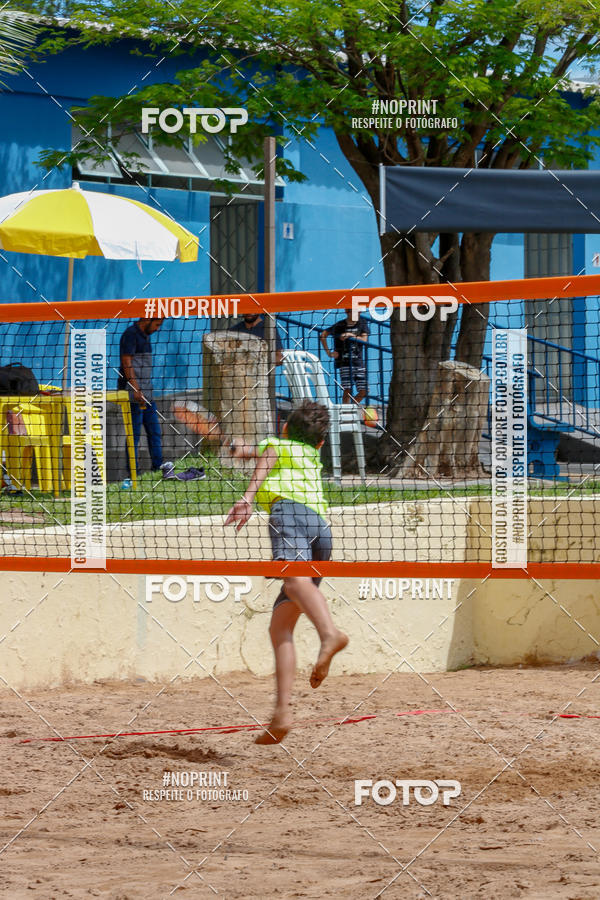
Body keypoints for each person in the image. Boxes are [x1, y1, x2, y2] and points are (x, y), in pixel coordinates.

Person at [224, 400, 348, 745]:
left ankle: (330, 634)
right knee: (280, 625)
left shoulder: (276, 446)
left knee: (295, 581)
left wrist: (248, 497)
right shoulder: (310, 454)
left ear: (283, 429)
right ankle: (281, 712)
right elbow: (258, 452)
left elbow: (266, 457)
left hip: (290, 516)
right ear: (321, 443)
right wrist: (239, 448)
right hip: (321, 531)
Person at [117, 317, 173, 479]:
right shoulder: (130, 334)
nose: (157, 328)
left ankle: (158, 468)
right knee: (133, 435)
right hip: (132, 392)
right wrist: (136, 388)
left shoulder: (146, 335)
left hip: (147, 394)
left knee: (155, 432)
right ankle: (133, 473)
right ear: (147, 319)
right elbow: (126, 361)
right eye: (157, 324)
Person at [320, 308, 369, 404]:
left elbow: (364, 339)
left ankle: (352, 407)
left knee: (364, 390)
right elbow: (323, 335)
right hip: (345, 362)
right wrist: (329, 353)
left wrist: (351, 335)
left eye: (359, 311)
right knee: (347, 390)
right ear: (347, 312)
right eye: (355, 311)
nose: (358, 313)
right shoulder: (340, 325)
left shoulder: (362, 323)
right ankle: (346, 411)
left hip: (358, 362)